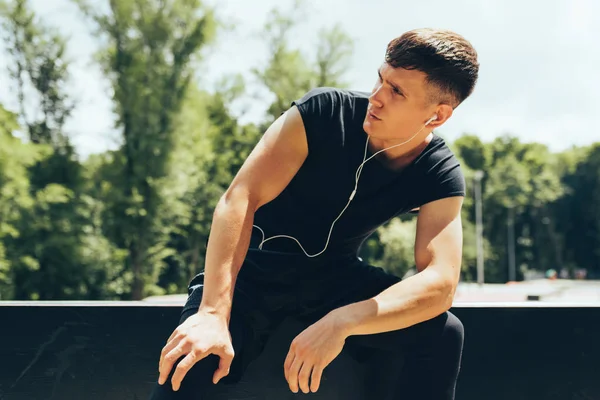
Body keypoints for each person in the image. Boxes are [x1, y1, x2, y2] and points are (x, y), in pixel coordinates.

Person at [149, 28, 479, 400]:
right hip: (252, 270)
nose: (377, 96)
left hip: (335, 278)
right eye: (381, 79)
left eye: (397, 91)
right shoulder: (323, 113)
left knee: (443, 333)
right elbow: (240, 198)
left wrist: (344, 321)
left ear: (437, 115)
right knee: (193, 356)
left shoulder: (438, 171)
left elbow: (440, 283)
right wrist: (211, 312)